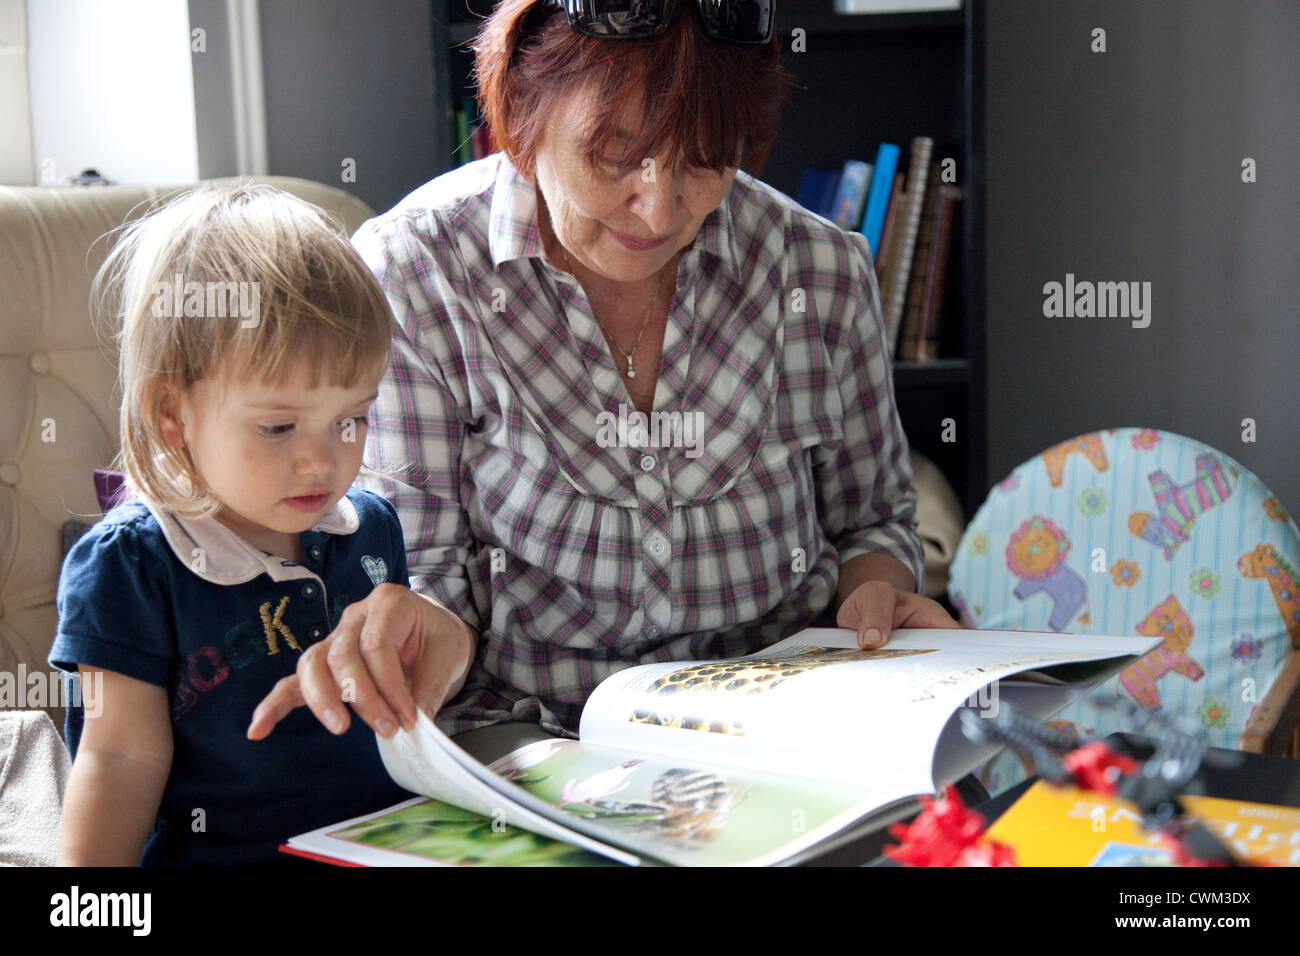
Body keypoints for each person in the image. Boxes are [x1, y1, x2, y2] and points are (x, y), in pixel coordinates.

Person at [249, 0, 961, 758]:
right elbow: (431, 577)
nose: (659, 209)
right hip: (529, 736)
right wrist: (421, 637)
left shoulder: (819, 269)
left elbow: (873, 519)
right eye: (615, 154)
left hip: (781, 728)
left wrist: (873, 602)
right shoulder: (417, 272)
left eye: (704, 160)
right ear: (521, 111)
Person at [49, 184, 415, 864]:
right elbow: (120, 759)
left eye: (352, 419)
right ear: (172, 414)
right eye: (277, 427)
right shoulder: (132, 566)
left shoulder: (372, 532)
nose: (323, 460)